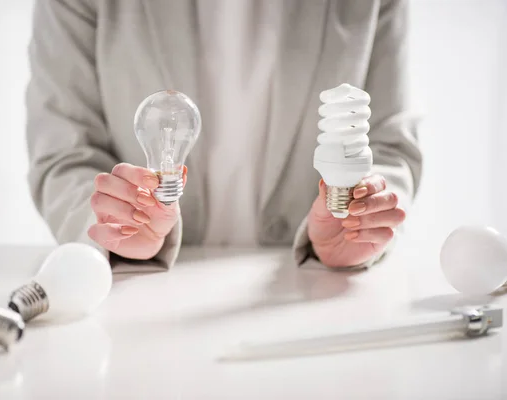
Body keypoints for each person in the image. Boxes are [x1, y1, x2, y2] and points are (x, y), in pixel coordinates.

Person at [25, 0, 422, 271]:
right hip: (148, 297)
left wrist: (357, 218)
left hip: (301, 293)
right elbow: (64, 154)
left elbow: (390, 145)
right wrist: (116, 229)